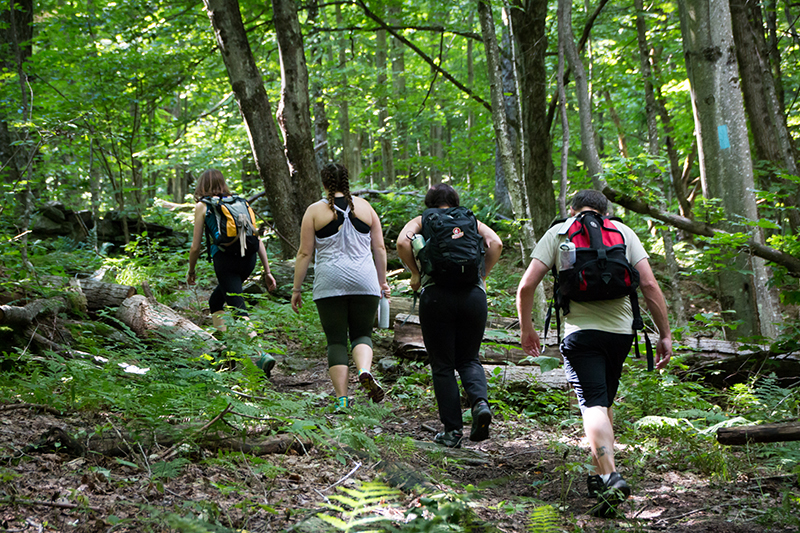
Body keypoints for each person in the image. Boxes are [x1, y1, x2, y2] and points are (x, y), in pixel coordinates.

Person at [516, 189, 672, 516]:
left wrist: (527, 328)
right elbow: (650, 286)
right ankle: (604, 487)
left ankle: (610, 475)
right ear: (606, 211)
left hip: (580, 334)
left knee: (593, 405)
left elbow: (527, 285)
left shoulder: (559, 232)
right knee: (604, 403)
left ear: (572, 210)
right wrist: (665, 334)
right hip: (620, 335)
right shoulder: (624, 232)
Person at [396, 184, 503, 448]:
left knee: (443, 365)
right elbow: (496, 243)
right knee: (468, 358)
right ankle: (479, 404)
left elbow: (401, 242)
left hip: (436, 297)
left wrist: (415, 273)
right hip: (472, 296)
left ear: (430, 202)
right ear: (455, 202)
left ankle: (453, 431)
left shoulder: (424, 219)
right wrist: (482, 275)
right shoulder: (469, 219)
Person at [291, 163, 390, 410]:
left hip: (329, 281)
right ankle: (364, 370)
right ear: (347, 181)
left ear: (324, 183)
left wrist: (296, 289)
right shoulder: (366, 208)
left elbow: (304, 253)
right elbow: (379, 248)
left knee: (336, 341)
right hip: (364, 280)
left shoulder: (314, 211)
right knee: (362, 334)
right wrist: (382, 282)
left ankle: (342, 400)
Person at [187, 169, 278, 369]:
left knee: (238, 307)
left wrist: (191, 270)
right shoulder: (239, 202)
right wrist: (267, 271)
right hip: (249, 260)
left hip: (226, 262)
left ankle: (261, 353)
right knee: (216, 301)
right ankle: (226, 349)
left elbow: (195, 247)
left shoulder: (203, 206)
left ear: (202, 186)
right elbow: (257, 238)